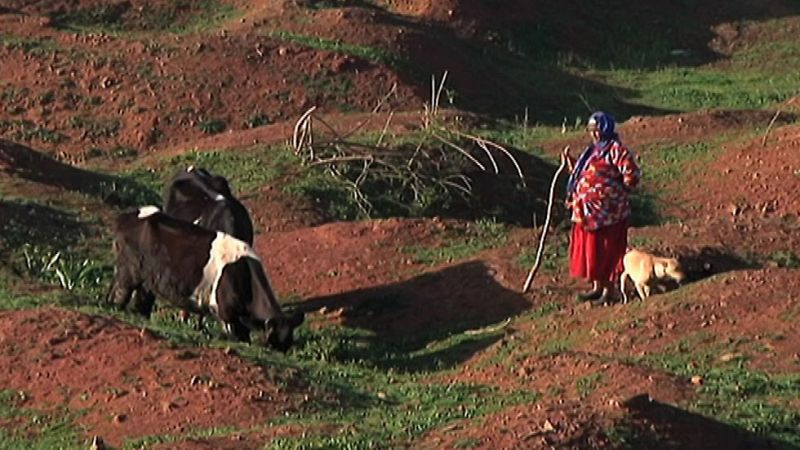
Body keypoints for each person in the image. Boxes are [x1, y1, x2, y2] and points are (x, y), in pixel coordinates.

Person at [562, 111, 641, 305]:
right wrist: (571, 163)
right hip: (587, 213)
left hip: (608, 215)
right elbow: (584, 173)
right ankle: (597, 287)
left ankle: (610, 291)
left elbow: (631, 175)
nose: (594, 134)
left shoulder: (616, 150)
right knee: (592, 251)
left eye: (597, 129)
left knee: (607, 250)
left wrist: (615, 188)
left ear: (606, 129)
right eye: (591, 130)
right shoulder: (592, 151)